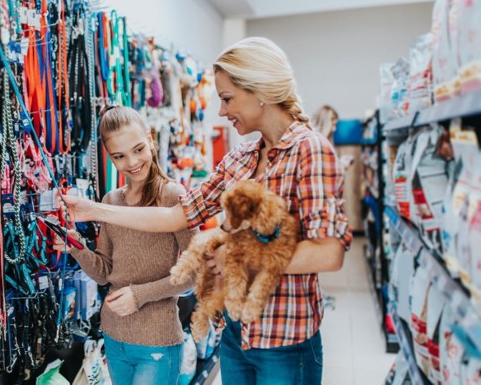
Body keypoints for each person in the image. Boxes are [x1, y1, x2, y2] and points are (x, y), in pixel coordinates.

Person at [62, 37, 353, 385]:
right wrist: (95, 210)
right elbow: (176, 215)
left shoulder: (311, 151)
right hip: (235, 333)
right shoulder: (241, 158)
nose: (221, 111)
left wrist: (241, 255)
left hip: (284, 340)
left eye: (227, 98)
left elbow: (329, 253)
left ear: (259, 89)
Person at [53, 105, 196, 385]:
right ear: (109, 157)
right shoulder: (110, 202)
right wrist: (75, 245)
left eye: (138, 149)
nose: (132, 162)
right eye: (119, 156)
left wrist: (139, 295)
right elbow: (105, 272)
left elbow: (194, 274)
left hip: (157, 342)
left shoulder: (173, 197)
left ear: (151, 139)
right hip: (114, 337)